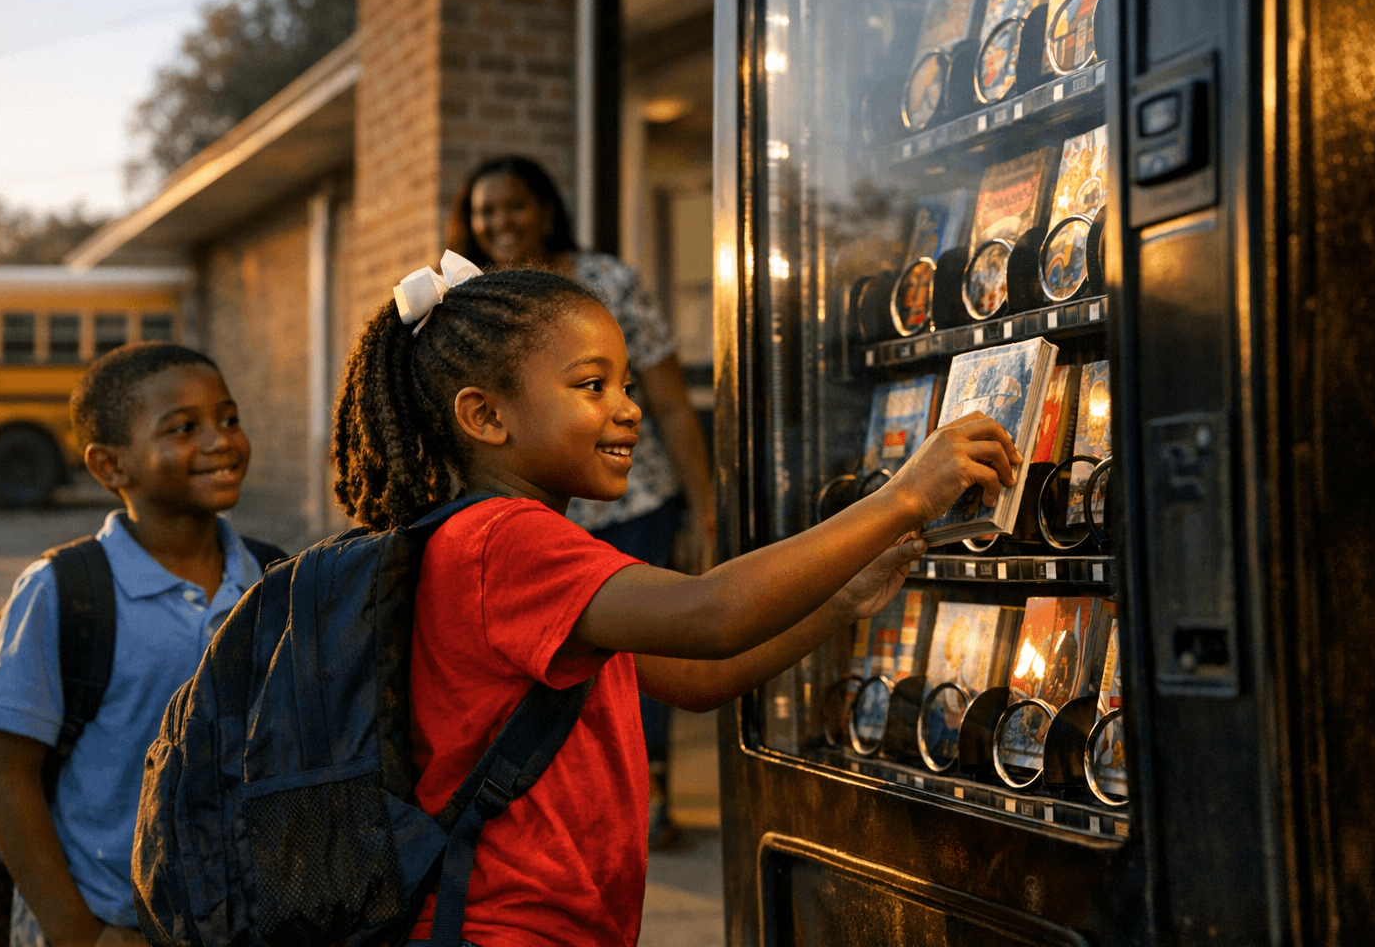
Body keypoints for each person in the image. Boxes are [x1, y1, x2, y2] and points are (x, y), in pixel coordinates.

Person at [333, 263, 1021, 946]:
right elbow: (710, 612)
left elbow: (695, 677)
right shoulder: (507, 543)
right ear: (485, 415)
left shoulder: (486, 543)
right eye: (590, 386)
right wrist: (901, 496)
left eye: (626, 386)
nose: (628, 409)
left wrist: (841, 601)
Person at [446, 155, 715, 847]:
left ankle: (647, 800)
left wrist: (706, 501)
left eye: (513, 206)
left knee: (644, 649)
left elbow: (667, 403)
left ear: (546, 209)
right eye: (485, 211)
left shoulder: (607, 282)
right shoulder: (472, 297)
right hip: (532, 510)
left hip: (632, 498)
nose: (499, 222)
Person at [0, 343, 266, 947]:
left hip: (241, 924)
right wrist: (81, 933)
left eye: (229, 419)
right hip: (107, 923)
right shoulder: (65, 591)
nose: (219, 441)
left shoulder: (273, 579)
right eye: (184, 428)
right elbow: (6, 777)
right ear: (110, 467)